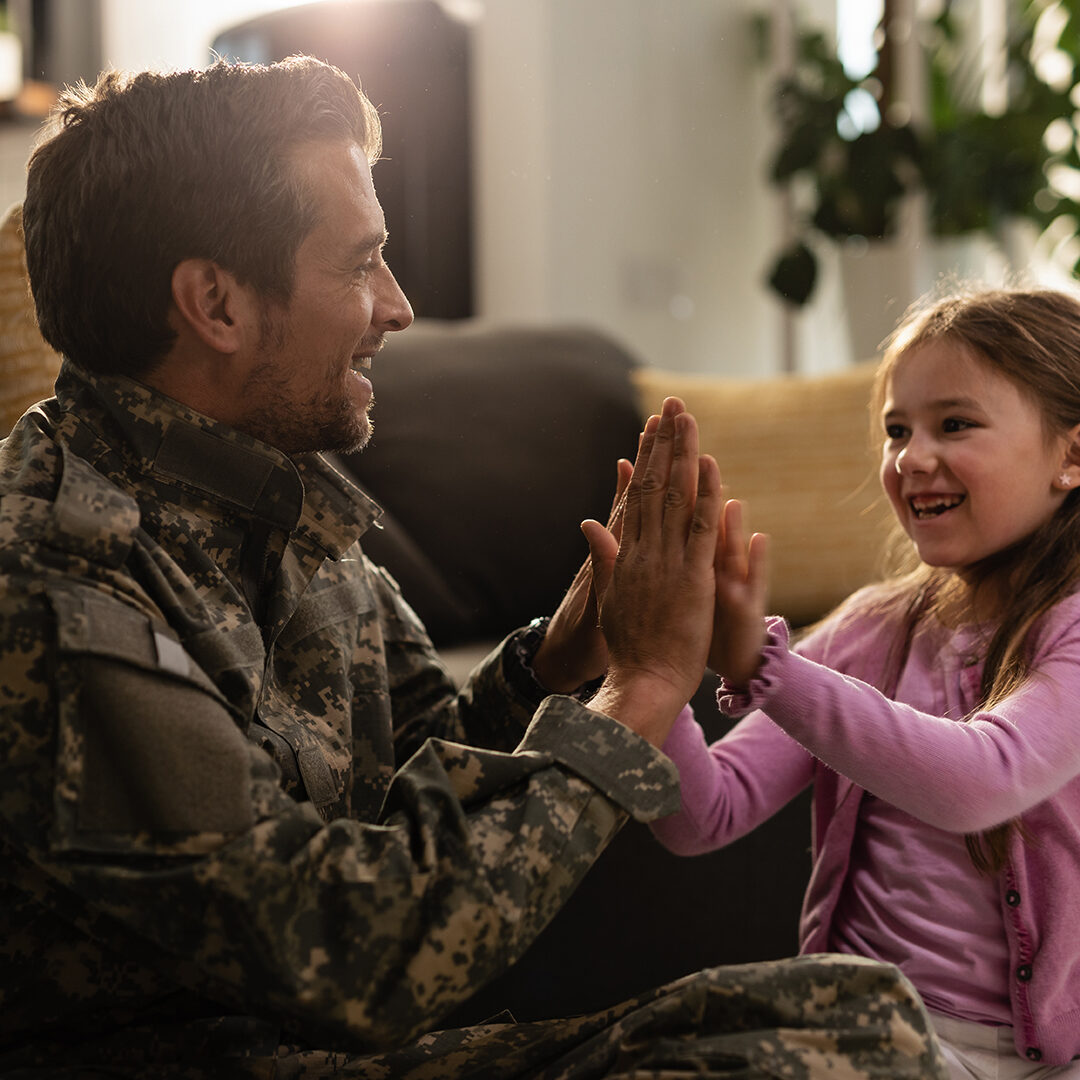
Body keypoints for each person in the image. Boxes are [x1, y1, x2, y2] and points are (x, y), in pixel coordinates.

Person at [0, 56, 948, 1078]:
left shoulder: (279, 499)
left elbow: (412, 766)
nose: (399, 307)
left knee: (860, 1013)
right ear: (216, 305)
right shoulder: (58, 585)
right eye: (360, 265)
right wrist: (640, 696)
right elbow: (353, 955)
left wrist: (558, 659)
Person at [651, 285, 1080, 1076]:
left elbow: (981, 780)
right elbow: (703, 814)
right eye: (895, 430)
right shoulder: (871, 628)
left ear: (1071, 456)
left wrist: (767, 671)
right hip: (869, 1034)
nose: (910, 458)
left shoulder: (1073, 629)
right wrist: (656, 664)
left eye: (954, 424)